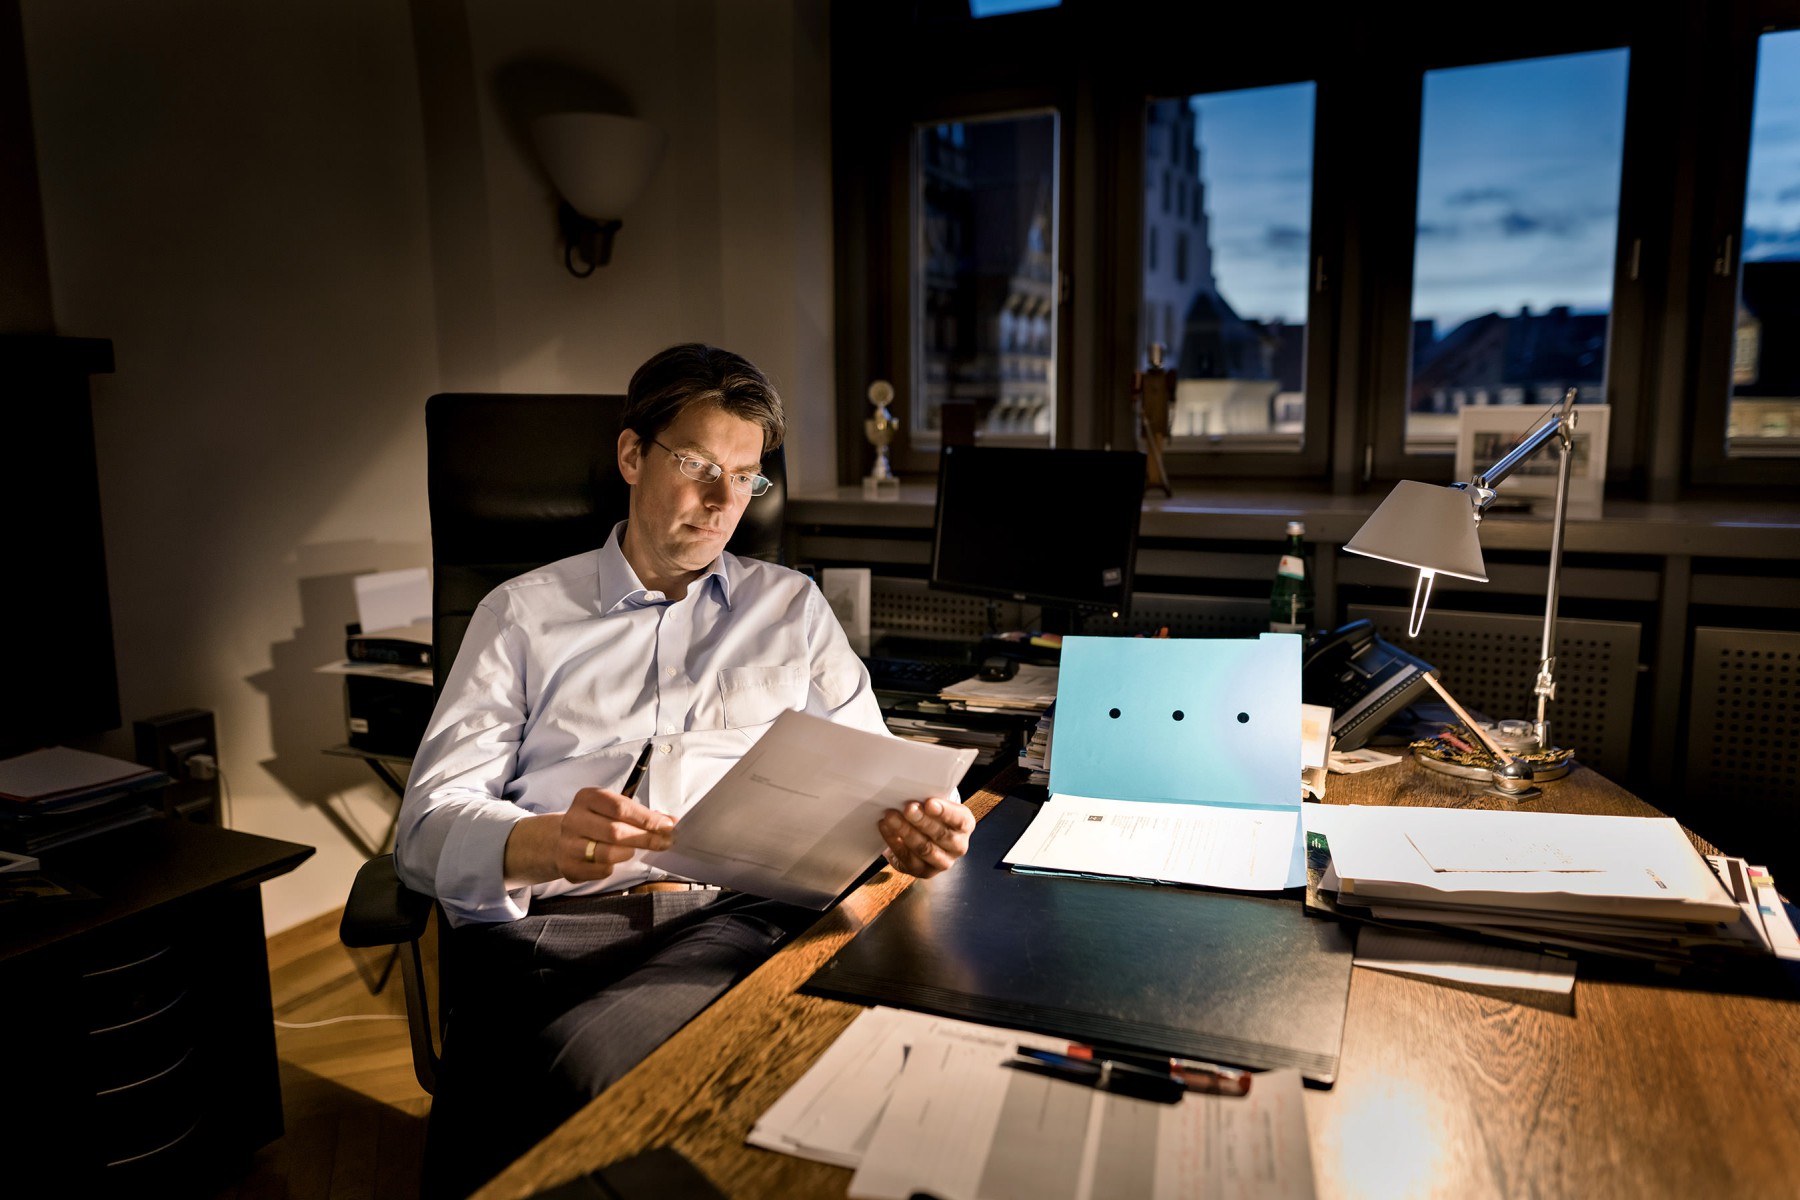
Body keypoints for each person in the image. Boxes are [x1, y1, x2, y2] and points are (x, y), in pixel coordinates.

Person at [393, 342, 975, 1197]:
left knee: (910, 1059)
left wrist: (922, 829)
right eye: (701, 465)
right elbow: (426, 825)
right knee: (602, 1077)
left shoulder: (791, 609)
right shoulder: (520, 615)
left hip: (748, 920)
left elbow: (888, 774)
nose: (722, 501)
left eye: (746, 477)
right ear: (632, 456)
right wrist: (542, 842)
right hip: (565, 933)